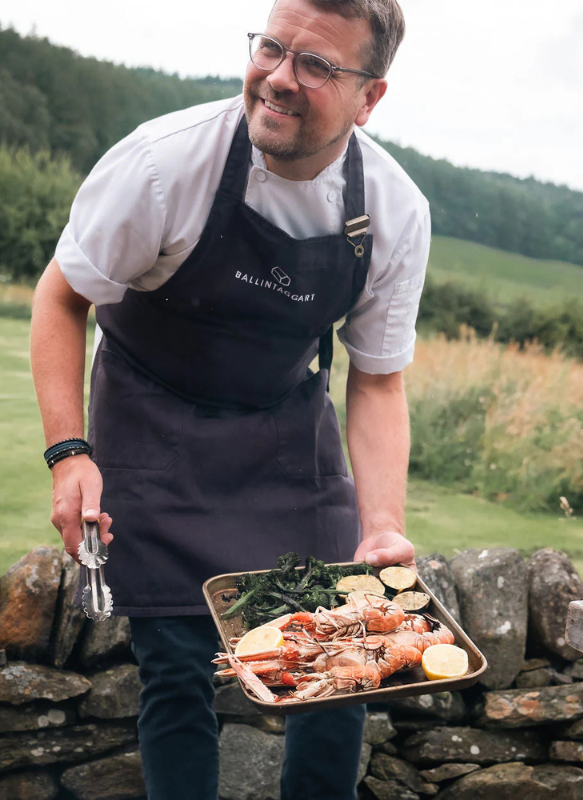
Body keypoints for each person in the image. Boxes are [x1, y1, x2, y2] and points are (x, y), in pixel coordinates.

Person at [29, 2, 426, 798]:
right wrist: (70, 454)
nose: (278, 78)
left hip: (285, 435)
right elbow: (59, 299)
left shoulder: (392, 210)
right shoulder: (162, 164)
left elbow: (377, 378)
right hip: (150, 422)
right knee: (176, 669)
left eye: (315, 65)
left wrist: (381, 524)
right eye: (272, 48)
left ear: (369, 97)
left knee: (337, 663)